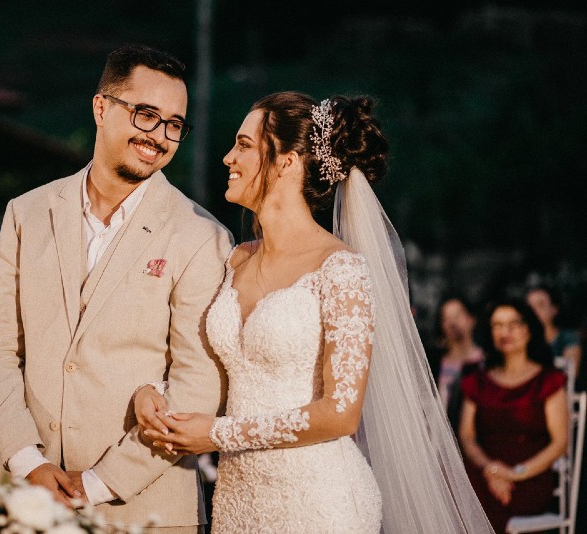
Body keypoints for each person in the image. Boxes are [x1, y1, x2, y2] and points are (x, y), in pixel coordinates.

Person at [135, 91, 494, 532]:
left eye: (244, 145)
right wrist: (153, 391)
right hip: (238, 500)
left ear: (287, 162)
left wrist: (216, 434)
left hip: (320, 501)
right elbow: (208, 367)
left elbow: (340, 413)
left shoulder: (340, 270)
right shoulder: (234, 260)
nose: (228, 157)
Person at [0, 44, 232, 532]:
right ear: (101, 107)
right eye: (145, 114)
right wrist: (28, 462)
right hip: (21, 500)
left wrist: (93, 485)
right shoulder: (26, 213)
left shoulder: (202, 236)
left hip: (143, 509)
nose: (158, 136)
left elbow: (197, 386)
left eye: (173, 124)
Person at [459, 298, 568, 533]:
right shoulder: (477, 382)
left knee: (478, 500)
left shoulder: (548, 380)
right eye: (497, 325)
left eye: (513, 324)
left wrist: (515, 473)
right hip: (484, 472)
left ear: (529, 328)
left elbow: (560, 442)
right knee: (459, 486)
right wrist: (492, 469)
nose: (504, 332)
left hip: (530, 477)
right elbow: (467, 436)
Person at [433, 295, 485, 430]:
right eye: (445, 319)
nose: (452, 323)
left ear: (472, 319)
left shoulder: (485, 361)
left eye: (457, 316)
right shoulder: (435, 364)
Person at [526, 284, 582, 383]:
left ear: (554, 309)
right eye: (530, 307)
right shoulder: (521, 339)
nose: (534, 311)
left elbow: (570, 374)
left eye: (540, 305)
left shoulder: (568, 338)